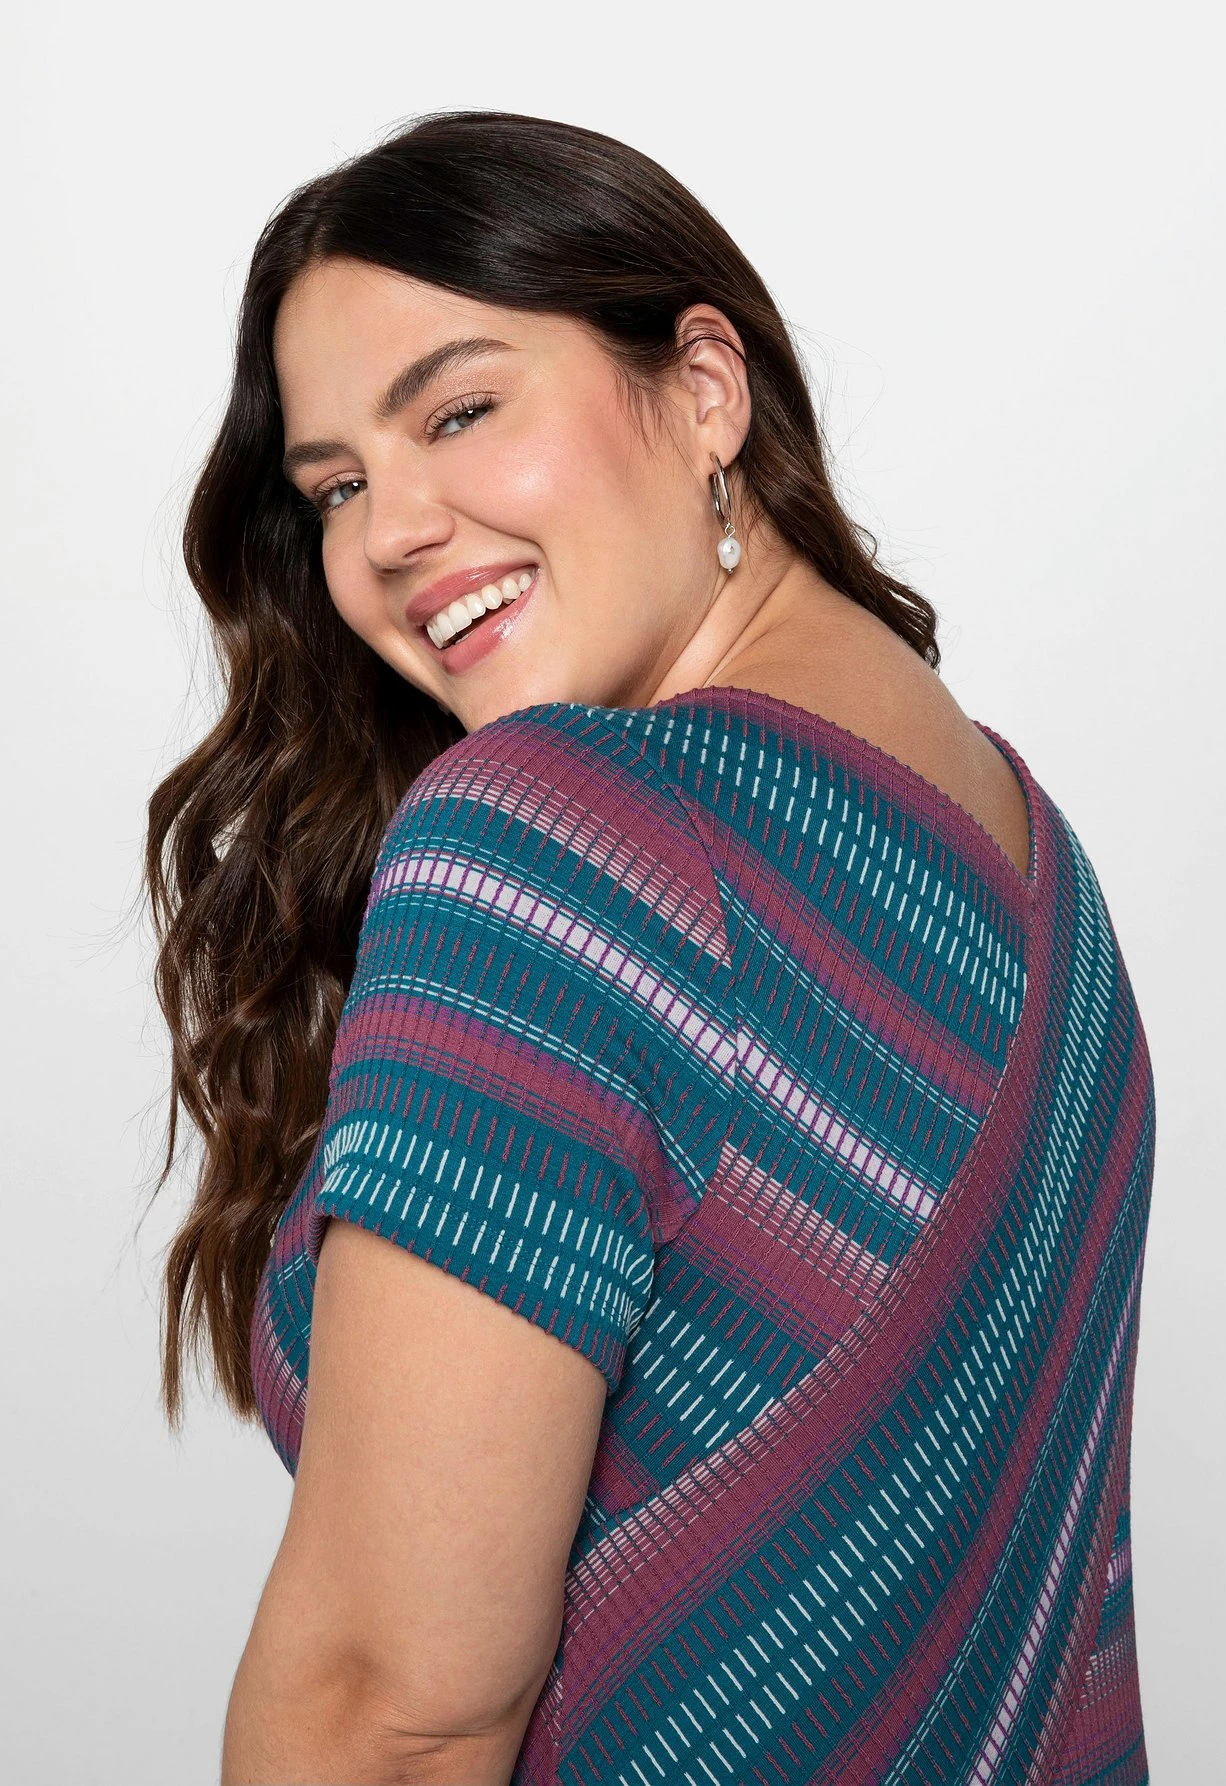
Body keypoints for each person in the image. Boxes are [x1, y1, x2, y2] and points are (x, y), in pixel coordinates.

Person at [144, 110, 1156, 1786]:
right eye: (336, 488)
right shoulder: (1039, 867)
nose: (386, 534)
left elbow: (390, 1714)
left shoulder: (556, 843)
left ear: (701, 391)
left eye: (457, 411)